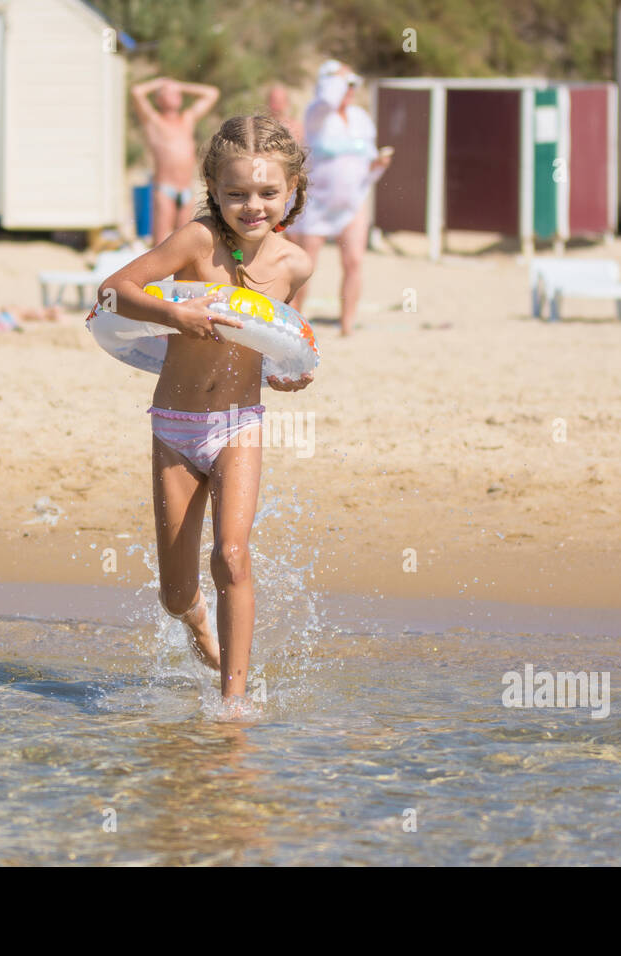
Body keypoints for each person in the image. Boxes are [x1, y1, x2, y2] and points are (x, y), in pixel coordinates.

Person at [99, 114, 315, 709]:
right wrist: (178, 316)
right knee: (175, 593)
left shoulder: (295, 265)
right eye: (236, 192)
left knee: (232, 553)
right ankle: (196, 621)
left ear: (292, 190)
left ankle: (234, 703)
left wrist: (288, 374)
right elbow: (113, 292)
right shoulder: (196, 241)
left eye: (269, 193)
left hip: (240, 424)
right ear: (213, 189)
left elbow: (278, 339)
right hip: (175, 428)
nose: (252, 206)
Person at [288, 60, 393, 336]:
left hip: (353, 201)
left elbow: (366, 158)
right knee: (305, 266)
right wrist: (337, 77)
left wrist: (378, 165)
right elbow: (326, 100)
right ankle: (294, 323)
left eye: (353, 85)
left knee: (354, 261)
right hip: (317, 203)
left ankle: (347, 325)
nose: (349, 90)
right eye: (344, 85)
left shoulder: (360, 118)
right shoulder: (316, 113)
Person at [132, 77, 220, 244]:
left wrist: (180, 86)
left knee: (184, 242)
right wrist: (160, 82)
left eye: (176, 93)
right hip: (165, 189)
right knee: (161, 242)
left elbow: (212, 93)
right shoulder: (154, 120)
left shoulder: (187, 119)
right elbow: (137, 92)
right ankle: (160, 271)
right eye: (168, 93)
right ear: (158, 99)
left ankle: (180, 271)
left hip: (186, 189)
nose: (174, 95)